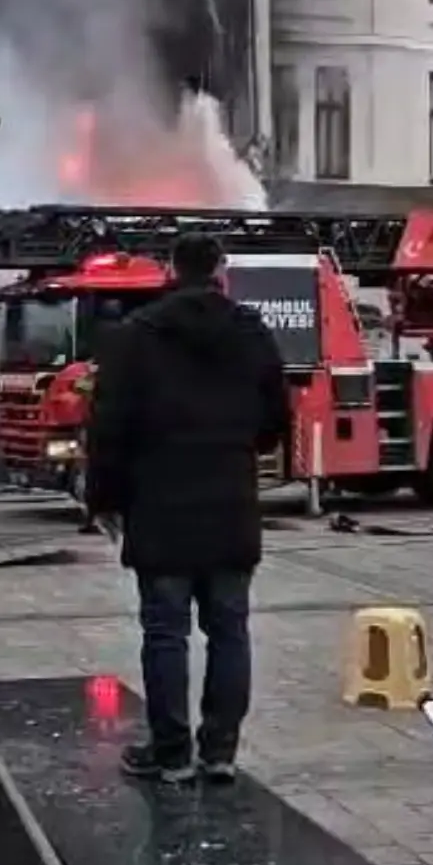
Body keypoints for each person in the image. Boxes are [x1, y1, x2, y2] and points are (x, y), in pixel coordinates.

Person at [84, 229, 290, 785]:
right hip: (229, 502)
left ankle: (171, 752)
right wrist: (239, 447)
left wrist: (104, 499)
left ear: (172, 269)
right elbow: (277, 418)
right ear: (221, 269)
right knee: (230, 630)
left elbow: (107, 428)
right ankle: (220, 751)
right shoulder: (251, 333)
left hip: (160, 506)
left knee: (165, 632)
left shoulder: (136, 337)